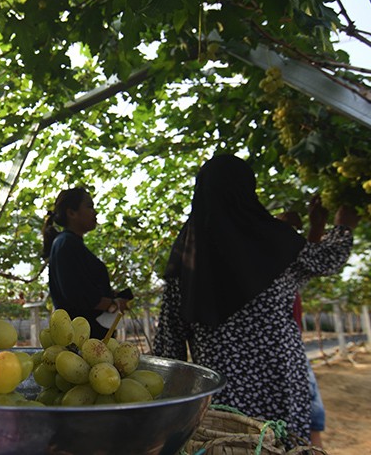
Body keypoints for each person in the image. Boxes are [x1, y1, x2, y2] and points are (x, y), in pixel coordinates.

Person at [152, 154, 358, 441]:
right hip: (281, 380)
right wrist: (342, 227)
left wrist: (165, 411)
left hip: (223, 394)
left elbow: (169, 344)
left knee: (235, 446)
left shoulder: (187, 255)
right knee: (282, 445)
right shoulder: (274, 241)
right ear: (248, 191)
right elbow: (326, 259)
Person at [42, 187, 133, 340]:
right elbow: (77, 295)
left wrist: (111, 297)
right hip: (81, 339)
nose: (95, 212)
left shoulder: (69, 243)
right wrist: (112, 304)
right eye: (90, 207)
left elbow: (83, 288)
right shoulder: (66, 244)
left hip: (87, 337)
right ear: (71, 213)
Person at [276, 207, 327, 448]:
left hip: (293, 353)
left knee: (312, 417)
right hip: (287, 357)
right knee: (309, 416)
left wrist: (316, 229)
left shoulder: (287, 274)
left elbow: (307, 261)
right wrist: (340, 228)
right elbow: (320, 259)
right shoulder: (274, 272)